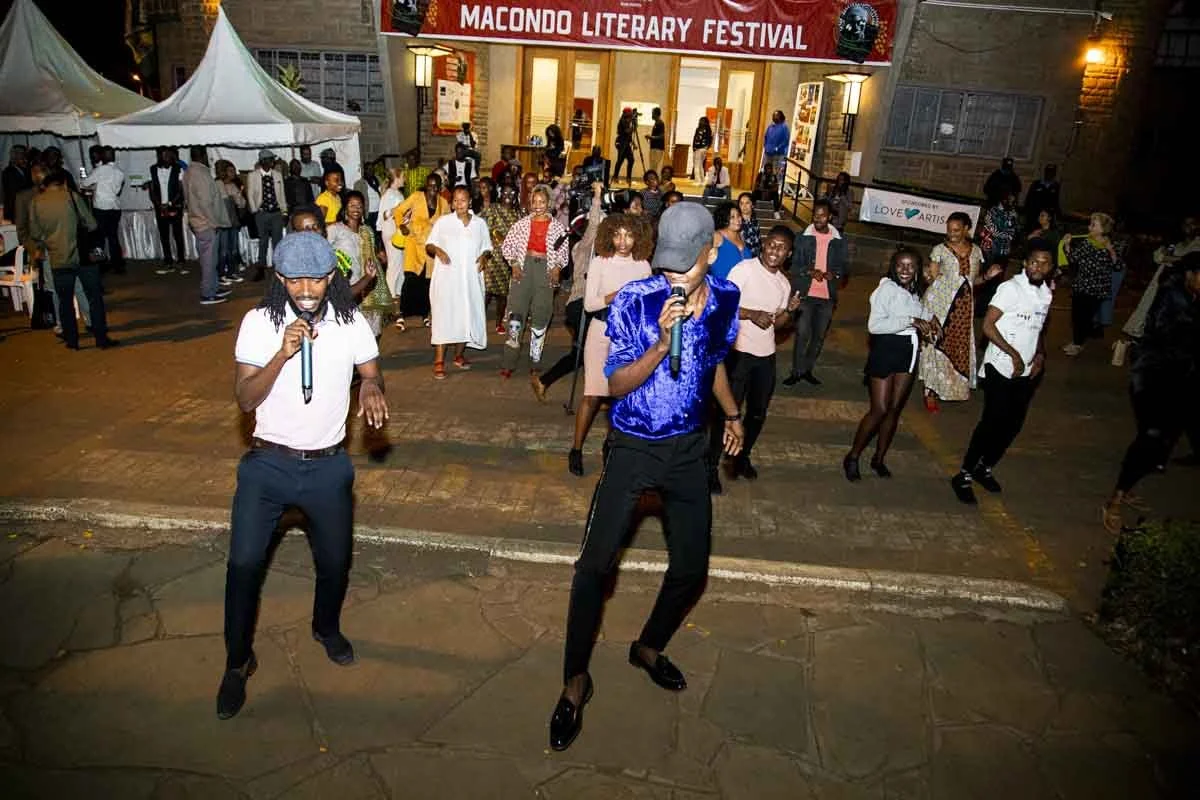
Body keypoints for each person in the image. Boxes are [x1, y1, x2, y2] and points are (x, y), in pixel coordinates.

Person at [548, 201, 743, 752]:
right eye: (667, 262)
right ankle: (575, 682)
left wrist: (731, 415)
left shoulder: (726, 297)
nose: (673, 275)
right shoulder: (637, 300)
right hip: (633, 447)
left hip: (688, 451)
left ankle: (648, 648)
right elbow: (614, 387)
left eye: (687, 263)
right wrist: (661, 343)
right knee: (592, 569)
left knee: (691, 568)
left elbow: (713, 362)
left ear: (713, 252)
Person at [217, 231, 388, 720]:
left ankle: (326, 627)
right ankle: (236, 663)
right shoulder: (257, 323)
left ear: (332, 277)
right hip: (267, 466)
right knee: (244, 566)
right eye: (295, 280)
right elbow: (246, 399)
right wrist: (281, 354)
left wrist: (372, 388)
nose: (307, 289)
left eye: (316, 278)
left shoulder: (351, 321)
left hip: (329, 467)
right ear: (279, 279)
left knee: (335, 564)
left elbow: (372, 370)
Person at [950, 241, 1054, 504]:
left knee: (1013, 424)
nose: (1038, 267)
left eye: (1044, 263)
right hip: (1000, 366)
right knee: (992, 421)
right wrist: (1014, 354)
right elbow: (987, 325)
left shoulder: (1046, 294)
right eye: (1034, 261)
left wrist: (1040, 354)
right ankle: (963, 474)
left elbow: (1039, 328)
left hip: (1027, 370)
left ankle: (984, 467)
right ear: (1026, 263)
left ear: (1050, 267)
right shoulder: (1010, 289)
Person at [1102, 254, 1200, 531]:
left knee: (1164, 441)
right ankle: (1115, 499)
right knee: (1151, 436)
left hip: (1185, 380)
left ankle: (1130, 483)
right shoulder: (1172, 296)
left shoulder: (1192, 298)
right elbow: (1161, 333)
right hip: (1153, 377)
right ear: (1191, 274)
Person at [711, 226, 802, 487]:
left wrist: (790, 312)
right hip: (739, 352)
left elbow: (779, 323)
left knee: (758, 413)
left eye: (781, 247)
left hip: (766, 356)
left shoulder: (783, 283)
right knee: (728, 411)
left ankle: (741, 456)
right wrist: (751, 314)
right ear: (764, 244)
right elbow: (723, 305)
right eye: (771, 244)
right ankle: (711, 466)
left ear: (789, 253)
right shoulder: (744, 270)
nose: (775, 250)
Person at [568, 212, 654, 475]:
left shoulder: (643, 267)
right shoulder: (600, 262)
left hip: (628, 337)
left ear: (637, 237)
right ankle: (576, 449)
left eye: (629, 235)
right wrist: (617, 295)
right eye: (617, 234)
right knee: (592, 395)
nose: (623, 241)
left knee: (621, 395)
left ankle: (611, 445)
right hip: (601, 331)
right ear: (609, 236)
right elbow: (590, 304)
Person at [844, 248, 938, 481]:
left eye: (911, 266)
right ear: (893, 267)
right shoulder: (885, 289)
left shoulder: (913, 291)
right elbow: (875, 326)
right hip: (886, 350)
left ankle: (879, 458)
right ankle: (853, 456)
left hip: (908, 352)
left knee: (894, 410)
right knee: (880, 409)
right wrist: (911, 321)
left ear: (917, 270)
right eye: (900, 265)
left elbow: (918, 310)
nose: (905, 270)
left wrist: (931, 319)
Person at [28, 170, 116, 350]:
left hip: (58, 258)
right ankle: (101, 338)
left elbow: (36, 234)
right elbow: (91, 224)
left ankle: (72, 340)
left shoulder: (36, 202)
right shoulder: (71, 197)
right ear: (63, 183)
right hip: (82, 256)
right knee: (94, 298)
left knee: (64, 301)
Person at [919, 212, 999, 410]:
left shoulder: (976, 252)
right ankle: (930, 391)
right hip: (939, 304)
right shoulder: (940, 250)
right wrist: (926, 275)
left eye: (956, 230)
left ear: (966, 229)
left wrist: (988, 276)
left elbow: (974, 281)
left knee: (957, 347)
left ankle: (951, 388)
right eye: (949, 230)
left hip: (963, 307)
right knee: (935, 345)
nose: (952, 234)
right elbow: (933, 279)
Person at [535, 181, 607, 402]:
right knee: (587, 353)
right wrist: (597, 196)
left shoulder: (603, 252)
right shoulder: (582, 248)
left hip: (595, 306)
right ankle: (598, 396)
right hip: (580, 305)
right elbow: (594, 225)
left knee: (585, 353)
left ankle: (545, 381)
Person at [499, 184, 570, 383]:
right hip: (524, 268)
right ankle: (508, 362)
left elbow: (563, 252)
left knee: (540, 317)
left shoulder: (557, 227)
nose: (538, 206)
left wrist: (557, 267)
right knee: (516, 317)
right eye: (534, 202)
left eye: (542, 202)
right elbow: (507, 246)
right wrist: (514, 263)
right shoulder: (521, 224)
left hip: (545, 271)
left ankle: (534, 362)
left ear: (549, 203)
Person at [425, 186, 490, 378]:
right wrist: (439, 251)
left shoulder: (479, 224)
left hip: (470, 279)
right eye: (456, 200)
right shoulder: (443, 222)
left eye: (463, 200)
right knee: (444, 317)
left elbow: (487, 247)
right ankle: (438, 361)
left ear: (470, 201)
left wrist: (485, 257)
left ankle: (459, 355)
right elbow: (429, 244)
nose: (459, 204)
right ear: (452, 202)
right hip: (447, 278)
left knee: (466, 316)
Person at [784, 200, 849, 388]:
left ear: (829, 217)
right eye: (815, 214)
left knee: (818, 336)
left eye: (822, 215)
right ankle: (796, 371)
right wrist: (809, 271)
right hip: (805, 294)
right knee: (802, 333)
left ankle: (807, 370)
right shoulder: (802, 237)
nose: (817, 218)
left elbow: (844, 268)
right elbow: (792, 265)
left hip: (827, 296)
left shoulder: (839, 240)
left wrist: (834, 274)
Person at [1124, 215, 1199, 341]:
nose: (1188, 227)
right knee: (1153, 309)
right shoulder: (1177, 244)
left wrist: (1173, 259)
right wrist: (1169, 257)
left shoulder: (1197, 244)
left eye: (1192, 224)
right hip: (1163, 281)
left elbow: (1191, 260)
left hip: (1184, 286)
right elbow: (1158, 256)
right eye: (1185, 224)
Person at [1062, 212, 1121, 356]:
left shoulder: (1106, 245)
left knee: (1082, 317)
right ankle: (1078, 341)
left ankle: (1078, 343)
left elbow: (1118, 266)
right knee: (1079, 317)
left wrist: (1111, 250)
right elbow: (1074, 259)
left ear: (1103, 229)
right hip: (1087, 287)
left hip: (1093, 289)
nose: (1089, 228)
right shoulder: (1089, 243)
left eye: (1093, 225)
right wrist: (1068, 245)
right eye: (1090, 224)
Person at [395, 173, 448, 328]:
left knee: (427, 283)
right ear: (426, 185)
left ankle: (425, 313)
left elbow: (447, 224)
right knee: (410, 280)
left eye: (436, 186)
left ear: (440, 187)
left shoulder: (443, 203)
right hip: (414, 245)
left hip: (431, 249)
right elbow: (398, 211)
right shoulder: (416, 197)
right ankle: (402, 314)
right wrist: (402, 225)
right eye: (430, 185)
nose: (433, 188)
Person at [183, 147, 233, 306]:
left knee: (209, 259)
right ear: (203, 155)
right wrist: (214, 222)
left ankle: (214, 287)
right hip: (206, 223)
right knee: (209, 261)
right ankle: (207, 294)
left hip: (198, 221)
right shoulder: (201, 173)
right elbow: (205, 202)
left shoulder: (189, 172)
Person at [336, 192, 390, 338]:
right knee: (351, 329)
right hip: (349, 284)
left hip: (370, 283)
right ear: (345, 208)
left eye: (360, 206)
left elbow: (373, 251)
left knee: (373, 330)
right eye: (352, 205)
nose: (356, 209)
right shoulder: (336, 230)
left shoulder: (367, 230)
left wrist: (379, 255)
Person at [479, 178, 519, 334]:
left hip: (506, 259)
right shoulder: (493, 209)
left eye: (511, 193)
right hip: (490, 256)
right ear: (500, 194)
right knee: (487, 292)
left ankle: (498, 323)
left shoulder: (517, 214)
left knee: (502, 294)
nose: (508, 195)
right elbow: (481, 226)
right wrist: (496, 236)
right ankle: (479, 320)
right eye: (505, 192)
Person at [79, 146, 126, 274]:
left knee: (99, 237)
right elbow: (115, 189)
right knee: (113, 237)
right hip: (115, 207)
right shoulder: (120, 172)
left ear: (103, 156)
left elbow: (84, 184)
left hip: (101, 207)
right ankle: (118, 264)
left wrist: (84, 178)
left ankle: (100, 264)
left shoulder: (100, 170)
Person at [245, 150, 288, 282]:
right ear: (263, 161)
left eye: (272, 159)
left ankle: (279, 269)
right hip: (262, 213)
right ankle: (261, 269)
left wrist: (284, 211)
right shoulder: (253, 175)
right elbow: (250, 193)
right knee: (263, 242)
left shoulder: (277, 175)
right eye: (270, 159)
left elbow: (281, 194)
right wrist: (254, 210)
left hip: (276, 213)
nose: (272, 162)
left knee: (278, 241)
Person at [149, 146, 186, 274]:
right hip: (160, 207)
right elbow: (152, 189)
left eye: (168, 155)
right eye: (164, 155)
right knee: (164, 235)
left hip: (174, 206)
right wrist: (159, 204)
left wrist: (170, 203)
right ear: (159, 156)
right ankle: (168, 260)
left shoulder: (178, 168)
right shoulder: (153, 169)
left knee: (177, 234)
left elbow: (181, 190)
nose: (167, 157)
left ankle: (181, 260)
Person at [215, 160, 247, 287]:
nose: (234, 173)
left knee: (233, 249)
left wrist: (238, 194)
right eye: (231, 171)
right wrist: (232, 194)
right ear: (224, 172)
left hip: (233, 221)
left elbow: (242, 203)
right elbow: (223, 199)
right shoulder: (217, 184)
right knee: (223, 250)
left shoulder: (233, 185)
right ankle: (221, 274)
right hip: (222, 222)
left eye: (234, 171)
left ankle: (232, 272)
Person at [709, 201, 751, 281]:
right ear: (725, 219)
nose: (737, 219)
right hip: (723, 288)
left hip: (743, 287)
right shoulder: (717, 236)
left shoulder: (741, 236)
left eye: (738, 215)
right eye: (732, 217)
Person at [762, 110, 789, 217]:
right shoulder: (770, 127)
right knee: (767, 172)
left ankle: (775, 193)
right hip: (768, 153)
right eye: (773, 115)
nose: (774, 117)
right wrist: (766, 146)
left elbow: (785, 140)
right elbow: (766, 137)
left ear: (781, 117)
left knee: (776, 174)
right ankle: (765, 191)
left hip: (778, 154)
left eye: (776, 115)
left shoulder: (784, 127)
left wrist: (778, 148)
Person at [2, 145, 32, 224]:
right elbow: (13, 193)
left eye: (24, 154)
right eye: (21, 154)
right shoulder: (8, 172)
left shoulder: (24, 170)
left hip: (22, 209)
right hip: (14, 210)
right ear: (14, 155)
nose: (24, 156)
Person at [613, 109, 637, 186]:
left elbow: (628, 135)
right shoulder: (623, 121)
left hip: (626, 144)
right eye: (629, 113)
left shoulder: (627, 121)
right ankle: (615, 177)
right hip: (622, 143)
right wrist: (633, 126)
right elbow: (627, 131)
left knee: (631, 160)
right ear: (626, 113)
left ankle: (628, 178)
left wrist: (633, 143)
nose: (630, 115)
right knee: (620, 160)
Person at [737, 192, 762, 258]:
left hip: (754, 258)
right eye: (741, 203)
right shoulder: (736, 222)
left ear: (752, 205)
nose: (744, 206)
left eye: (747, 203)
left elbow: (758, 242)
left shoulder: (755, 222)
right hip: (741, 257)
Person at [647, 107, 666, 174]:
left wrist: (651, 137)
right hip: (653, 147)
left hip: (658, 148)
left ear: (656, 114)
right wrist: (650, 138)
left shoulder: (661, 123)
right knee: (652, 166)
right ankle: (653, 180)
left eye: (652, 114)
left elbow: (662, 136)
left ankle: (656, 180)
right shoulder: (656, 123)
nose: (652, 115)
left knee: (656, 166)